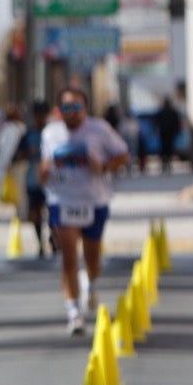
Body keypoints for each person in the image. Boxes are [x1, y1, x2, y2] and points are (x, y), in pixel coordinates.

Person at [39, 86, 130, 337]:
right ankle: (73, 312)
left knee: (93, 259)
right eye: (66, 108)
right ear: (59, 111)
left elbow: (124, 155)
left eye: (76, 107)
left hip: (94, 200)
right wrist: (44, 173)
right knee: (68, 257)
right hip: (62, 200)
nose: (72, 113)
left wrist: (104, 166)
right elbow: (44, 167)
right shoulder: (50, 133)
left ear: (85, 109)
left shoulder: (99, 129)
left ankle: (89, 281)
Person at [8, 101, 52, 257]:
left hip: (52, 182)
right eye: (37, 116)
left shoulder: (53, 133)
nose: (40, 119)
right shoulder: (28, 135)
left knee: (53, 211)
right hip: (33, 181)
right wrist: (27, 154)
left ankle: (54, 237)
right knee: (35, 212)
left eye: (43, 115)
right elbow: (15, 157)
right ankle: (41, 242)